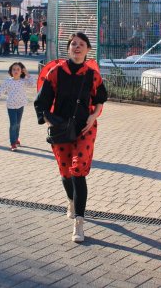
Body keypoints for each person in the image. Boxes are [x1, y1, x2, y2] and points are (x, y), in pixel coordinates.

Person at [34, 32, 107, 243]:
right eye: (73, 44)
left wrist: (93, 117)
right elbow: (41, 103)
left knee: (78, 170)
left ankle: (79, 222)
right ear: (68, 48)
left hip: (85, 128)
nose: (77, 47)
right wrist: (51, 122)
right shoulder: (57, 72)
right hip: (61, 129)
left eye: (81, 44)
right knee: (66, 173)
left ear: (87, 49)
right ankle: (71, 200)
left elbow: (101, 97)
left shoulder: (92, 74)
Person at [0, 62, 36, 151]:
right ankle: (13, 143)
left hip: (20, 105)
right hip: (11, 106)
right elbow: (1, 90)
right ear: (11, 71)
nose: (16, 71)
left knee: (18, 124)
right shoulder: (8, 81)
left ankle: (16, 139)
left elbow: (33, 84)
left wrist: (27, 73)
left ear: (21, 72)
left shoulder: (23, 81)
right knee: (13, 124)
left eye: (18, 69)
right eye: (14, 69)